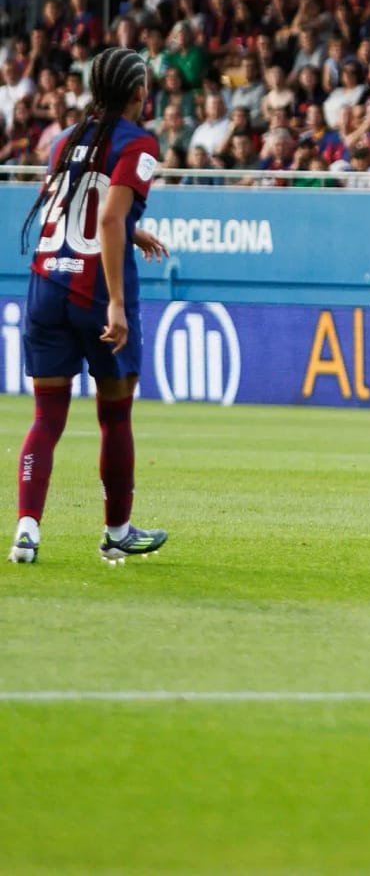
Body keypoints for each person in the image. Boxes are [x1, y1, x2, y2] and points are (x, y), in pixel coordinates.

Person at [12, 48, 172, 564]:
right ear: (137, 94)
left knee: (46, 417)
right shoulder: (139, 143)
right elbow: (104, 220)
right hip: (95, 295)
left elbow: (69, 208)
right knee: (115, 417)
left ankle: (27, 530)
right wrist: (118, 305)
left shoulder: (63, 139)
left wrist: (133, 229)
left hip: (43, 287)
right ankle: (117, 530)